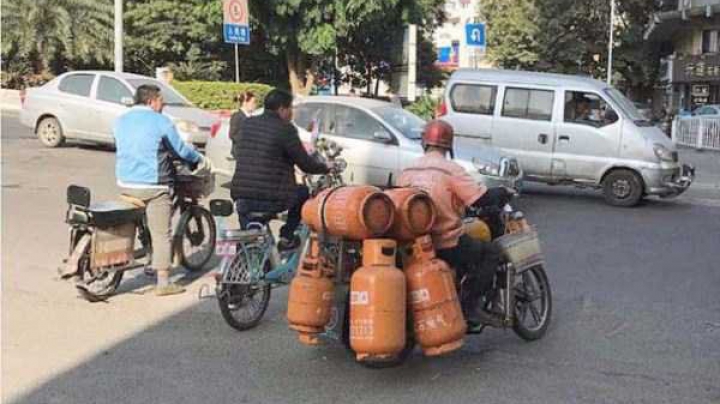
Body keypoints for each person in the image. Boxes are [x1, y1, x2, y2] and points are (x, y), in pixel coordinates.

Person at [398, 120, 514, 327]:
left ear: (424, 143)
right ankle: (471, 307)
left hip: (412, 243)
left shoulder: (408, 169)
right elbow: (480, 199)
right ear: (449, 145)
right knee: (491, 252)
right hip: (444, 243)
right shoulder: (451, 170)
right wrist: (502, 193)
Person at [114, 84, 211, 296]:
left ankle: (149, 256)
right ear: (151, 101)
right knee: (161, 233)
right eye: (161, 100)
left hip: (125, 181)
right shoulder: (160, 121)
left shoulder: (120, 119)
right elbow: (180, 149)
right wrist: (199, 158)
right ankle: (163, 282)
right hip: (153, 185)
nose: (164, 104)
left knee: (145, 223)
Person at [231, 89, 330, 250]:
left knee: (250, 238)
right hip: (269, 197)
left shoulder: (248, 123)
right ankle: (287, 236)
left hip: (241, 194)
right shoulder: (286, 129)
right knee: (302, 192)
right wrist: (324, 168)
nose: (292, 113)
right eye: (291, 109)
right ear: (282, 109)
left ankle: (243, 264)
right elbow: (305, 163)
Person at [229, 91, 257, 159]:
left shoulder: (251, 117)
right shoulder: (237, 116)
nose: (255, 105)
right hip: (240, 153)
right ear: (245, 103)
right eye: (253, 102)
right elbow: (232, 134)